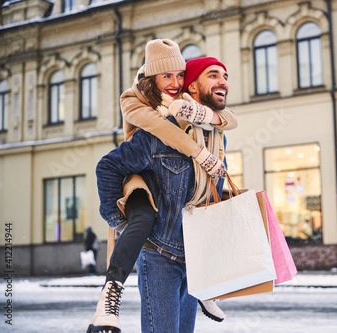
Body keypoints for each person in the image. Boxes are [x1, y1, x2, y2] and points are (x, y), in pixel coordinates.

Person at [88, 39, 234, 333]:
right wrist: (120, 222)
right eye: (167, 76)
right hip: (161, 257)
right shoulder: (151, 126)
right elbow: (107, 166)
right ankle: (109, 295)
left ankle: (207, 291)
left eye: (179, 76)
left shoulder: (216, 137)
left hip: (194, 261)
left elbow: (226, 120)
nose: (174, 82)